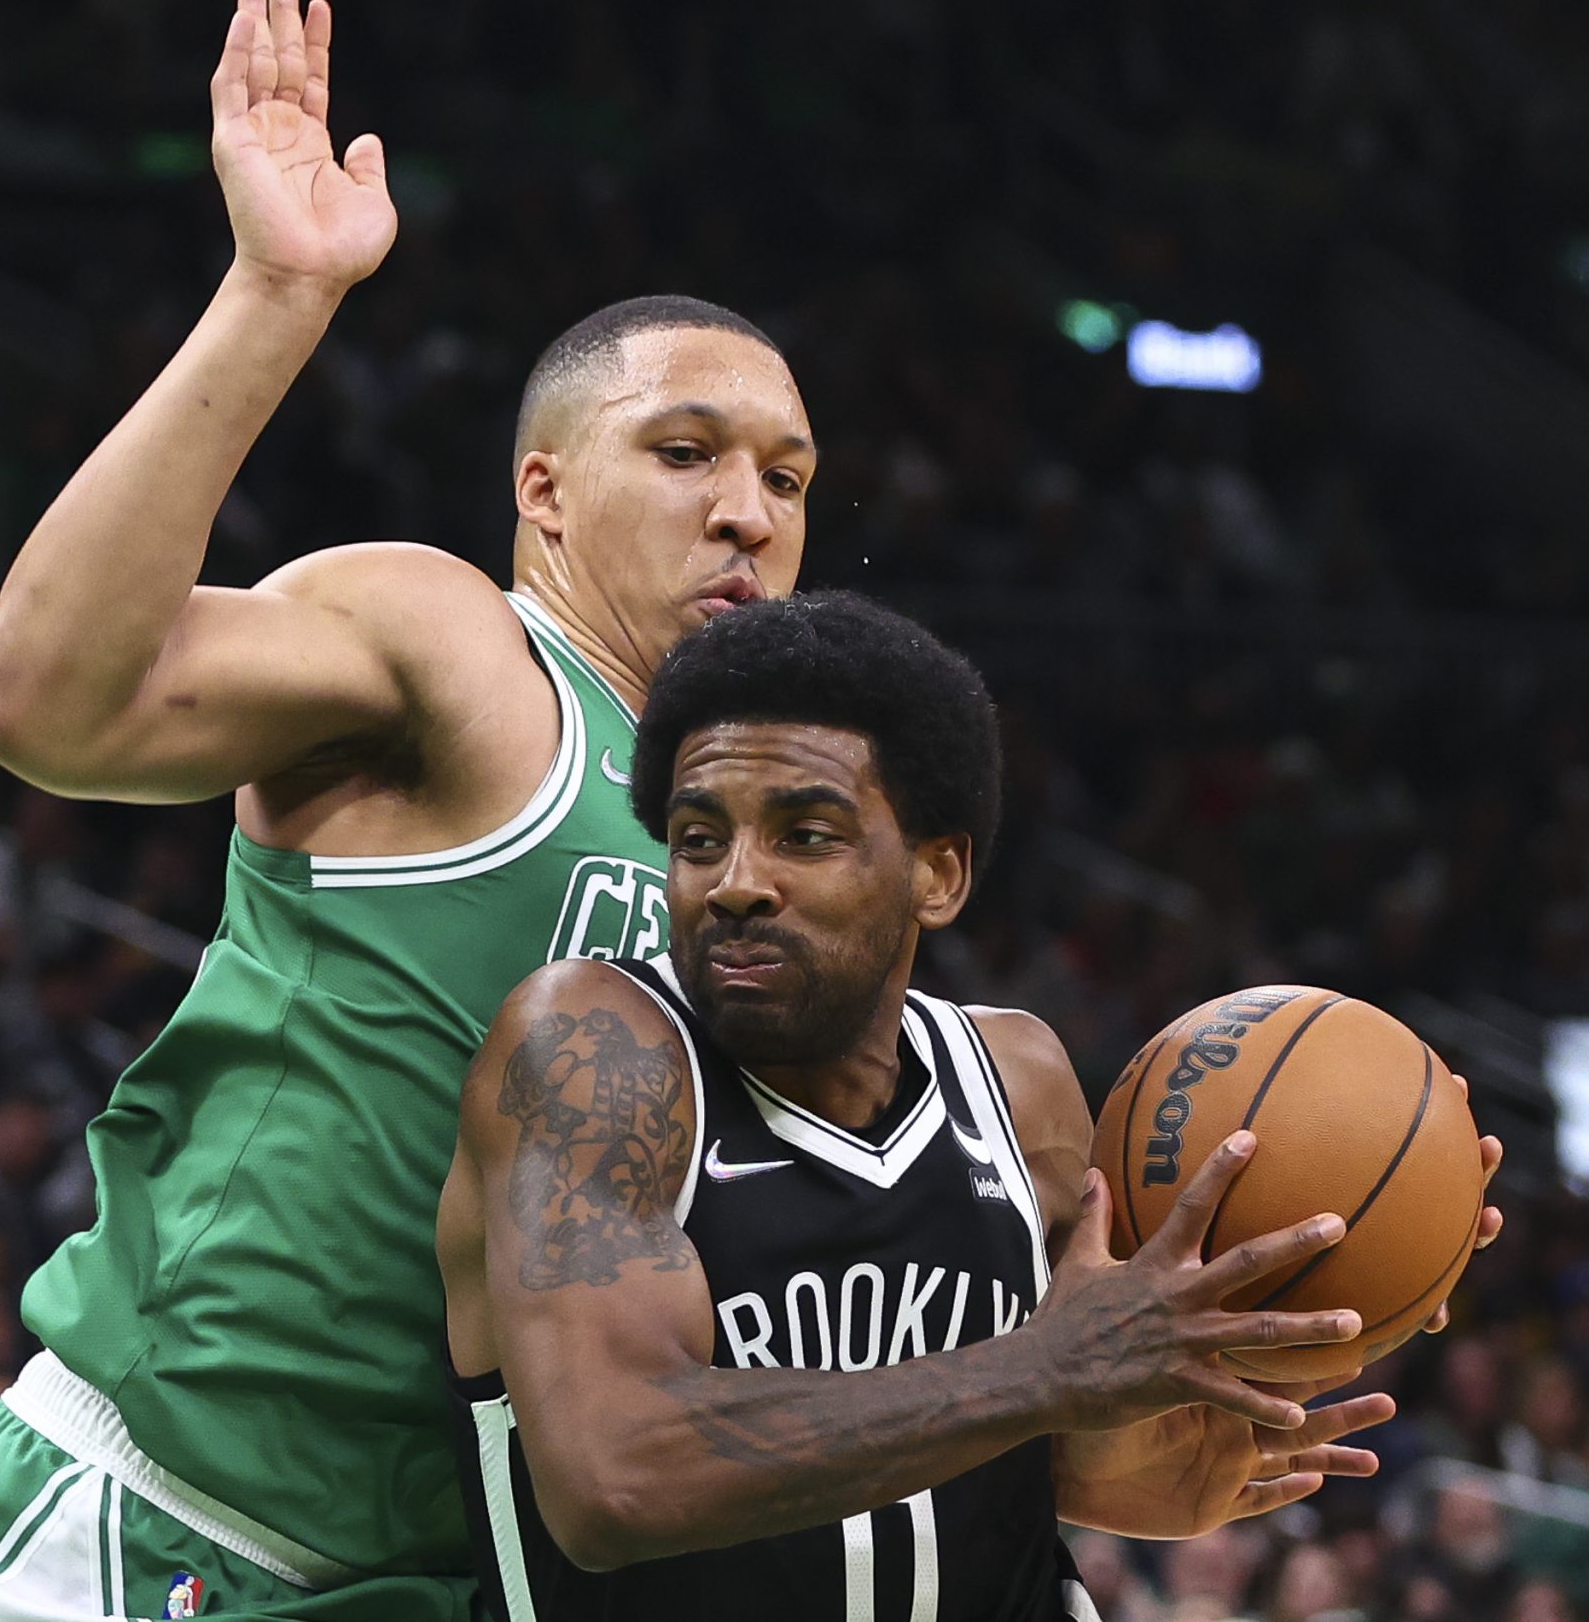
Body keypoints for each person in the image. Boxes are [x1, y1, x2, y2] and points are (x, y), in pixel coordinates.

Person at [0, 0, 817, 1622]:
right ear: (542, 490)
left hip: (431, 1581)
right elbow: (43, 701)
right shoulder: (464, 646)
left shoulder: (757, 858)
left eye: (787, 475)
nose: (750, 509)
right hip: (168, 1527)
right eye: (686, 454)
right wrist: (278, 294)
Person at [436, 594, 1506, 1619]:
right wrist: (1042, 1368)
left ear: (936, 875)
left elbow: (1044, 1450)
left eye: (804, 835)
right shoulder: (591, 1052)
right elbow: (614, 1474)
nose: (734, 883)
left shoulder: (1017, 1078)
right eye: (699, 836)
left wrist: (1317, 1309)